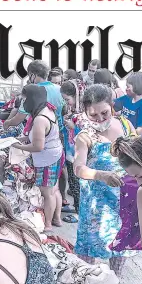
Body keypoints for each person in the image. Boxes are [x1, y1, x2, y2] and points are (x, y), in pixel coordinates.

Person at [73, 84, 138, 276]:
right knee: (88, 252)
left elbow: (138, 151)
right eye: (93, 115)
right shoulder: (85, 137)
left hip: (124, 201)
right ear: (85, 113)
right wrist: (101, 175)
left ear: (112, 107)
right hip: (96, 207)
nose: (100, 119)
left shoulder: (125, 125)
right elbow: (78, 168)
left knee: (120, 249)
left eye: (104, 113)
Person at [10, 85, 64, 232]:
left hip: (48, 158)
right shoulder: (46, 109)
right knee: (53, 189)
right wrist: (20, 139)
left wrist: (17, 146)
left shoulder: (40, 119)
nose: (23, 101)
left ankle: (48, 225)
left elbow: (37, 146)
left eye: (25, 99)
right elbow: (37, 136)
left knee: (47, 193)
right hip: (55, 154)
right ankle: (56, 219)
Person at [59, 79, 86, 216]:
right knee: (73, 183)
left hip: (80, 154)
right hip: (70, 154)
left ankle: (81, 212)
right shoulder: (71, 111)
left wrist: (73, 127)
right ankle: (78, 209)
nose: (65, 102)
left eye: (67, 99)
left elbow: (88, 135)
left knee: (79, 185)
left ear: (76, 96)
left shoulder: (85, 114)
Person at [114, 72, 142, 136]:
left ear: (136, 86)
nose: (126, 89)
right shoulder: (127, 98)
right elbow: (112, 104)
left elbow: (141, 129)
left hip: (134, 138)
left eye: (128, 87)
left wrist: (128, 134)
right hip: (123, 133)